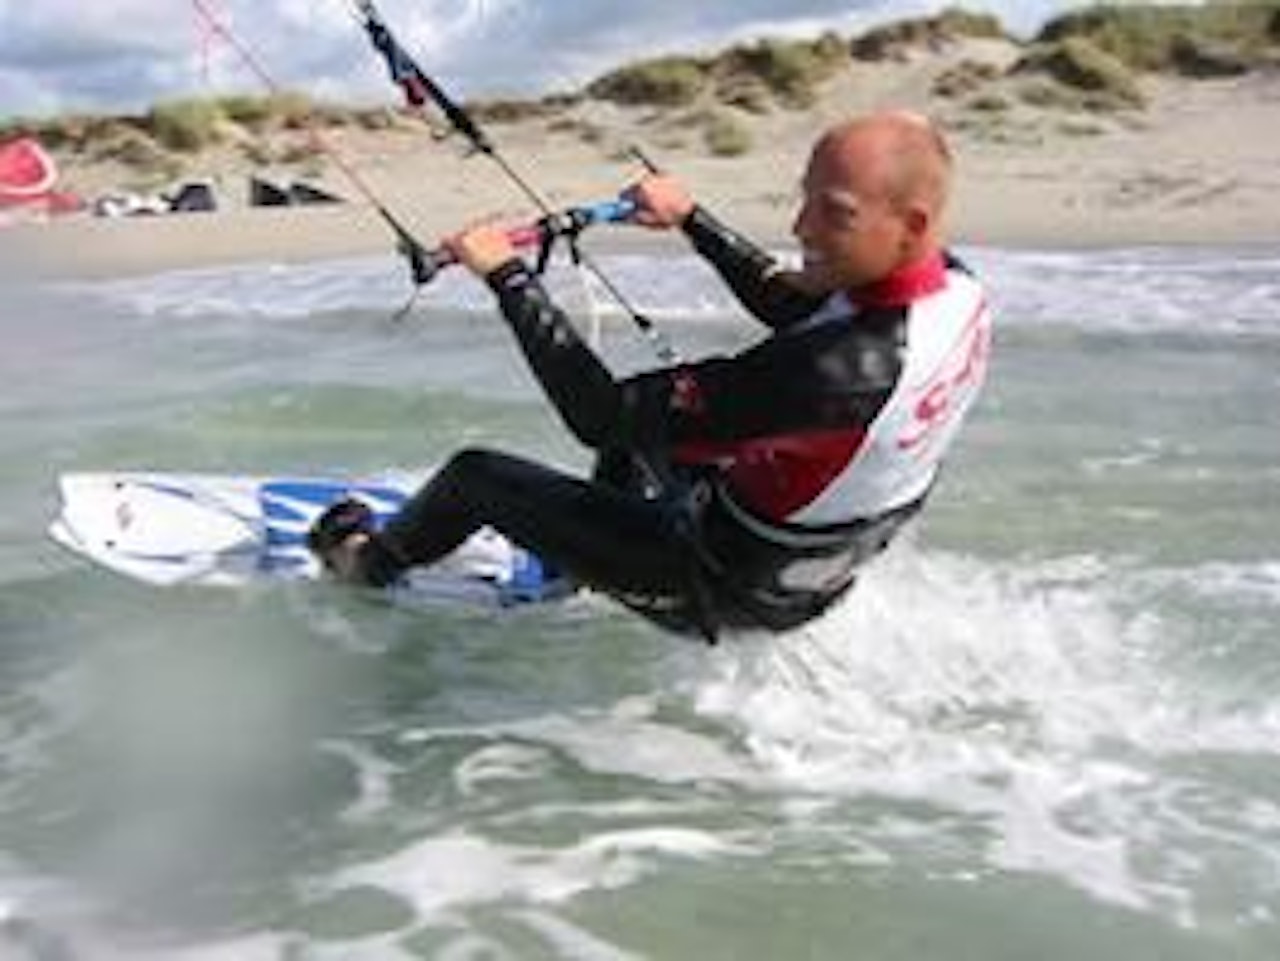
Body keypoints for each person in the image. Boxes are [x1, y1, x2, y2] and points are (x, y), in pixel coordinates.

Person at [308, 110, 992, 642]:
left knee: (475, 476)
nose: (800, 224)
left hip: (716, 587)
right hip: (812, 565)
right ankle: (575, 564)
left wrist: (510, 277)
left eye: (833, 212)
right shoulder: (953, 289)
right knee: (653, 423)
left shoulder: (835, 374)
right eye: (804, 198)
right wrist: (691, 220)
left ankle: (364, 563)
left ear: (912, 224)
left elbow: (598, 414)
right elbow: (797, 304)